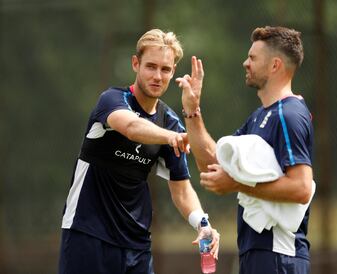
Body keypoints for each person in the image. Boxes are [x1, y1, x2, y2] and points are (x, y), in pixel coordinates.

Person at [58, 29, 220, 274]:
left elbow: (182, 189)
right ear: (136, 64)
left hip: (136, 245)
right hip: (87, 233)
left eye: (165, 69)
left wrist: (202, 223)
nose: (157, 76)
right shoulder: (112, 99)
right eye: (150, 66)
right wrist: (171, 137)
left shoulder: (170, 121)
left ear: (173, 71)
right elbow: (132, 127)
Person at [176, 26, 314, 274]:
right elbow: (211, 163)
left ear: (275, 66)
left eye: (252, 58)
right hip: (257, 257)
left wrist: (237, 184)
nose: (245, 63)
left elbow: (301, 188)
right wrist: (192, 110)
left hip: (279, 258)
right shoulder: (260, 117)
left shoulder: (289, 115)